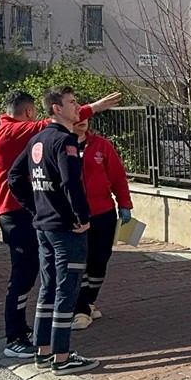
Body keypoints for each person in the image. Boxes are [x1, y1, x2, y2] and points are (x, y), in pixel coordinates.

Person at [0, 89, 120, 358]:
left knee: (46, 284)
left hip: (29, 217)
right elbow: (69, 182)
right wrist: (78, 217)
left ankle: (40, 345)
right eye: (72, 103)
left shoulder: (10, 134)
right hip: (27, 218)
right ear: (29, 112)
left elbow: (16, 175)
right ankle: (41, 346)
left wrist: (36, 208)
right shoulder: (23, 133)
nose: (77, 108)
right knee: (51, 284)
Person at [71, 115, 133, 329]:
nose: (81, 121)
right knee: (79, 262)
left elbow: (117, 176)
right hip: (74, 216)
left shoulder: (101, 145)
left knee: (99, 261)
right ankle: (80, 309)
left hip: (103, 212)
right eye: (77, 117)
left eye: (85, 118)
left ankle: (88, 301)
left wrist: (124, 204)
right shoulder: (61, 144)